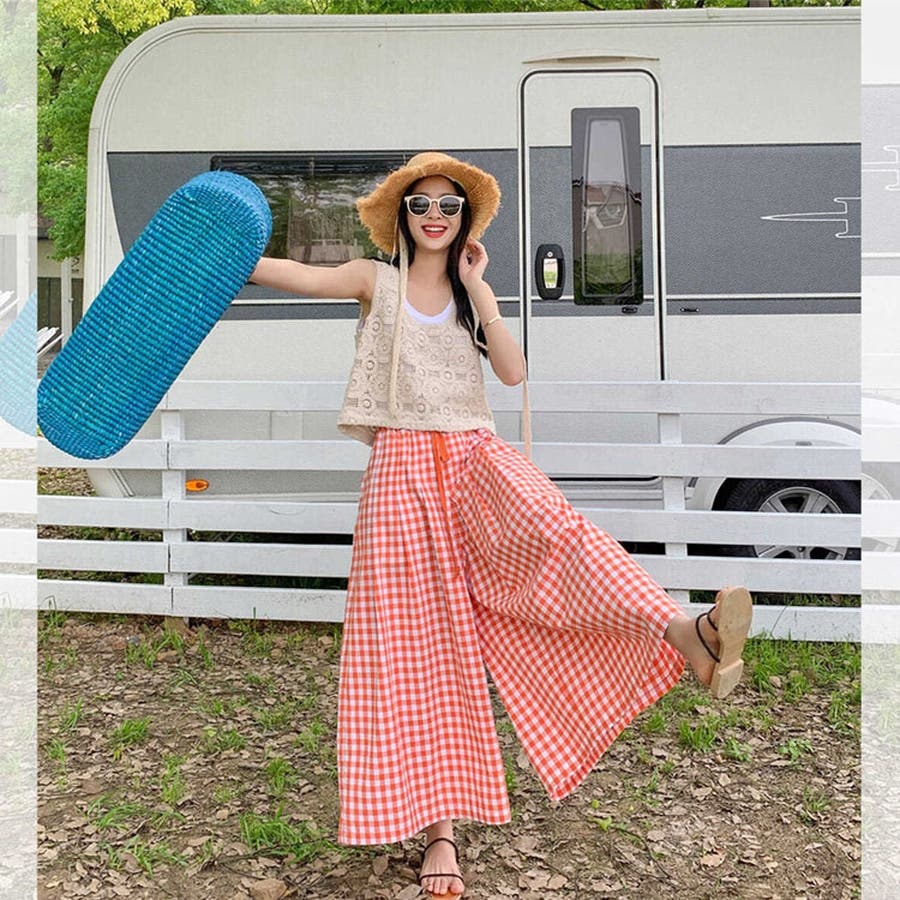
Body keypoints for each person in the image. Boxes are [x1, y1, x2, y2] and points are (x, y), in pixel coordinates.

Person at [249, 152, 753, 900]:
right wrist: (215, 251)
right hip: (400, 473)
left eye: (449, 206)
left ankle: (687, 635)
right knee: (421, 649)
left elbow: (512, 373)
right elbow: (298, 275)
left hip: (475, 459)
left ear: (464, 221)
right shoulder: (373, 279)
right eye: (421, 204)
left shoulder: (469, 297)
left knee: (564, 538)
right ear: (402, 216)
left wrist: (481, 291)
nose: (435, 216)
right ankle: (440, 835)